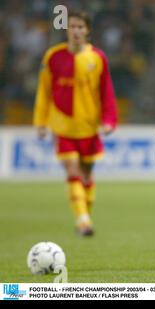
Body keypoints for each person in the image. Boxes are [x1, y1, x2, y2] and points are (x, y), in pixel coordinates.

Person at [33, 10, 118, 236]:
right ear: (67, 29)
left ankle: (85, 216)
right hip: (63, 126)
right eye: (72, 27)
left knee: (87, 175)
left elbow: (106, 92)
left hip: (89, 126)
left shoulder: (97, 58)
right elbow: (44, 91)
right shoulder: (53, 56)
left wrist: (109, 120)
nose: (76, 31)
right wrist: (40, 121)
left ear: (88, 30)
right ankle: (82, 221)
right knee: (73, 170)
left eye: (81, 27)